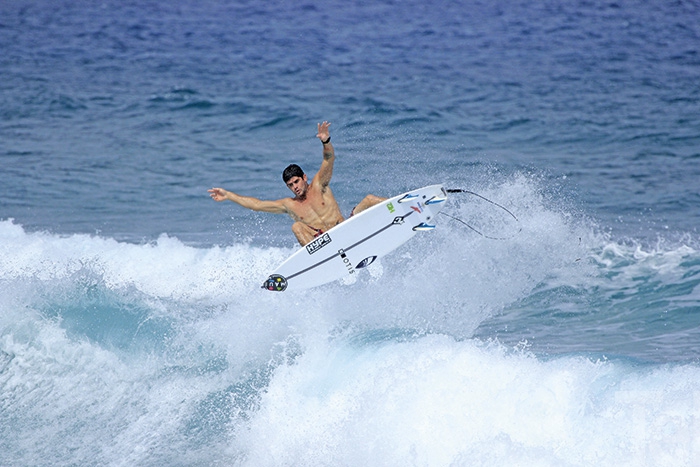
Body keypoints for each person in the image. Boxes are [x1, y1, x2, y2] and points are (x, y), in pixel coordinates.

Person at [209, 121, 385, 246]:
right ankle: (318, 260)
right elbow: (257, 205)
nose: (295, 187)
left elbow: (329, 158)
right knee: (297, 226)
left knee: (369, 199)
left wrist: (326, 141)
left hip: (344, 229)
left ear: (304, 178)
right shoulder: (289, 205)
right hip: (323, 243)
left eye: (296, 182)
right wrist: (229, 196)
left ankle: (408, 207)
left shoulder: (319, 185)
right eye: (290, 185)